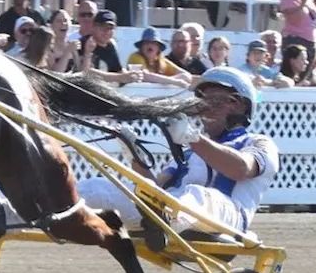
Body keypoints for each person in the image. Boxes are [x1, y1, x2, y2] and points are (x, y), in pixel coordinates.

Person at [76, 67, 280, 234]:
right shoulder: (190, 151)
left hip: (228, 220)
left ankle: (165, 220)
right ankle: (49, 207)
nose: (206, 109)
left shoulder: (259, 143)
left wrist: (193, 138)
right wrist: (134, 155)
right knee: (98, 186)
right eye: (201, 103)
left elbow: (240, 169)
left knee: (197, 194)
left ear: (241, 106)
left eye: (215, 101)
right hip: (172, 212)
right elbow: (154, 191)